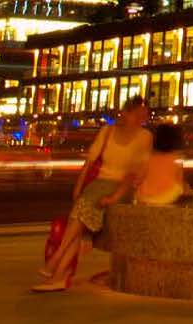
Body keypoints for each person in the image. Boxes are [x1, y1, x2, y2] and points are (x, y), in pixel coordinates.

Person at [34, 97, 151, 292]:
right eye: (137, 114)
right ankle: (59, 275)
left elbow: (134, 174)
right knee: (79, 223)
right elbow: (89, 162)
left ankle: (57, 263)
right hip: (98, 186)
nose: (141, 119)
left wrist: (114, 198)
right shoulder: (107, 132)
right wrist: (78, 187)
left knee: (81, 215)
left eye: (144, 115)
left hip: (122, 189)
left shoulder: (144, 137)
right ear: (126, 113)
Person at [134, 122, 188, 205]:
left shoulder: (147, 156)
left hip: (144, 197)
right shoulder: (178, 158)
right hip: (166, 196)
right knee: (179, 186)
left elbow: (140, 177)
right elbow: (179, 179)